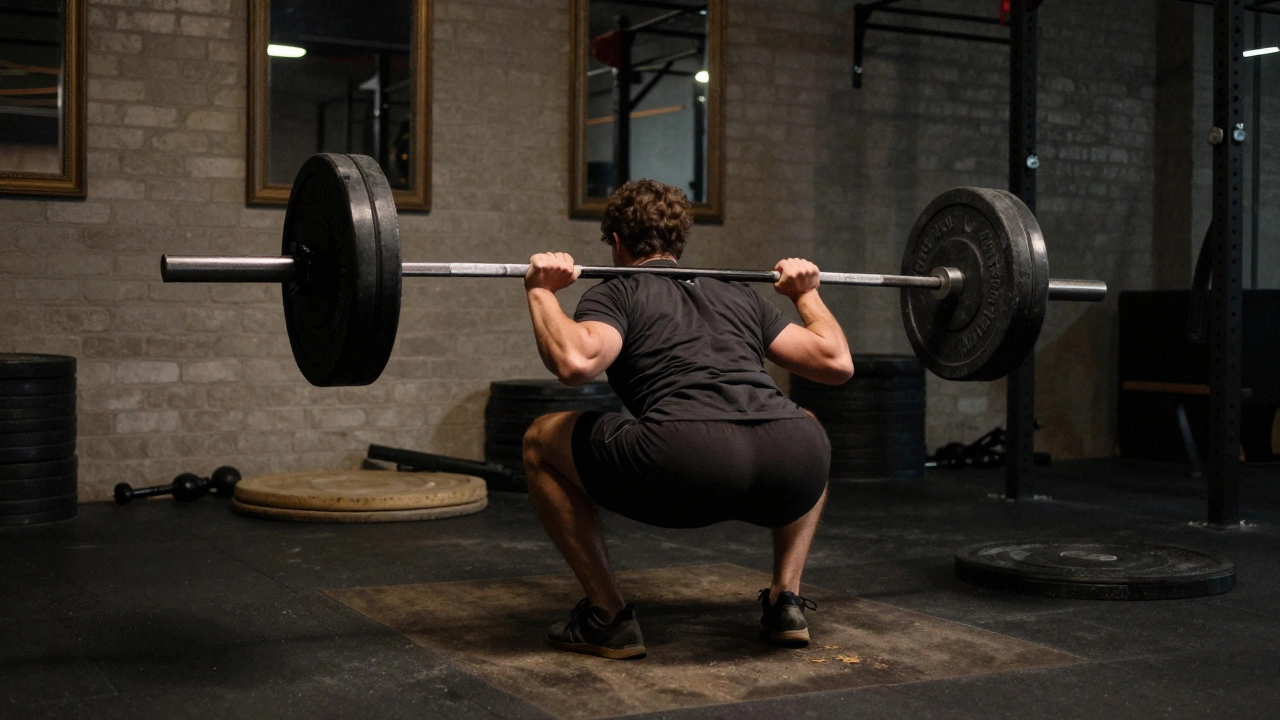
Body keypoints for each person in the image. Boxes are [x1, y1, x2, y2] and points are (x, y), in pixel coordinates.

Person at [521, 179, 853, 660]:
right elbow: (836, 362)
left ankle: (607, 617)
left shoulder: (618, 292)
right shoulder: (738, 294)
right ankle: (786, 601)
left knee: (540, 439)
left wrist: (540, 291)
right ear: (679, 241)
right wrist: (806, 294)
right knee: (805, 423)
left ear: (617, 242)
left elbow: (575, 362)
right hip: (793, 463)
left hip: (688, 463)